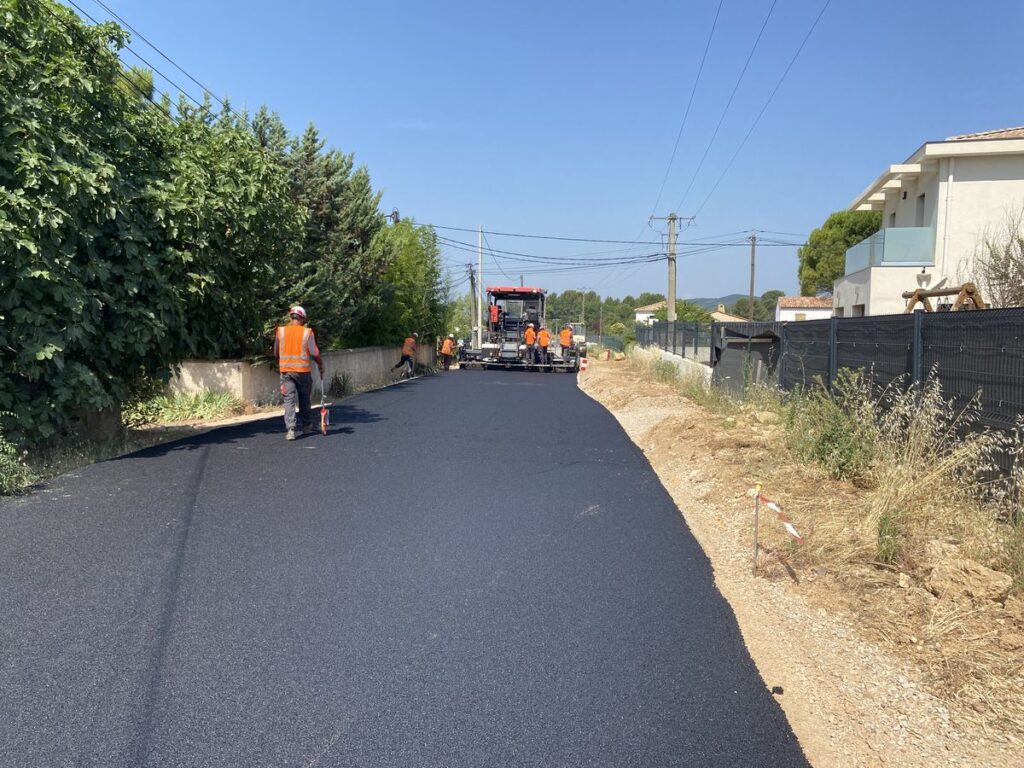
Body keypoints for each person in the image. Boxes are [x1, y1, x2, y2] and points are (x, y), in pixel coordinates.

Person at [274, 305, 324, 441]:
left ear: (291, 317)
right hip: (303, 372)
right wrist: (320, 365)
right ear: (302, 319)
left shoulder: (281, 331)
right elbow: (314, 353)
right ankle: (307, 425)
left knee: (288, 400)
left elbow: (276, 352)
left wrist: (281, 363)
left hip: (286, 372)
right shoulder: (307, 332)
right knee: (304, 399)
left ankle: (291, 430)